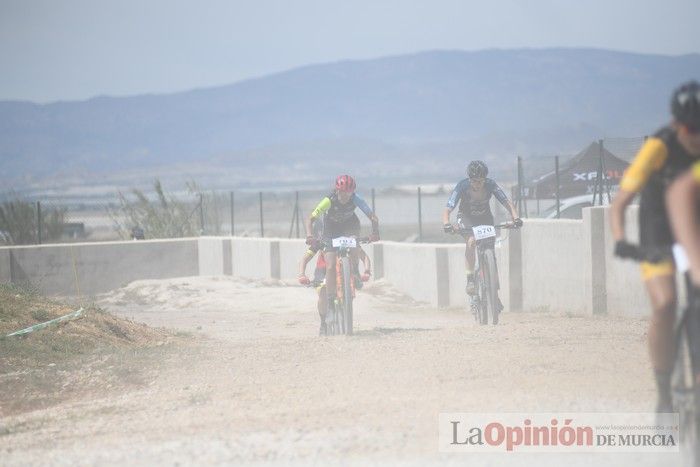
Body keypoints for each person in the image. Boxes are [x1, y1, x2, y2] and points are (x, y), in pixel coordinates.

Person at [610, 80, 700, 412]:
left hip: (694, 225)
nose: (697, 136)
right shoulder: (658, 147)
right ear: (677, 125)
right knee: (665, 304)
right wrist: (622, 241)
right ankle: (664, 393)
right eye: (692, 128)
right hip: (658, 227)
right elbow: (619, 204)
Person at [305, 175, 379, 334]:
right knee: (330, 266)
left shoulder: (356, 199)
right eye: (343, 192)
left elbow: (372, 216)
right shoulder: (329, 200)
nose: (346, 196)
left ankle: (354, 271)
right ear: (337, 190)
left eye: (349, 192)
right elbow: (311, 218)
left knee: (354, 246)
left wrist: (375, 232)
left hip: (349, 226)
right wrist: (310, 235)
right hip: (330, 230)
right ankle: (331, 301)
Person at [443, 160, 521, 297]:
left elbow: (506, 202)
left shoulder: (491, 185)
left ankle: (494, 291)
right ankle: (470, 280)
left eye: (480, 181)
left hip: (485, 218)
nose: (477, 184)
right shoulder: (462, 186)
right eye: (474, 181)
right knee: (471, 242)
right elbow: (448, 208)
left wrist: (516, 218)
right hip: (466, 217)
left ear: (485, 179)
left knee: (490, 248)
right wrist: (446, 223)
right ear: (469, 179)